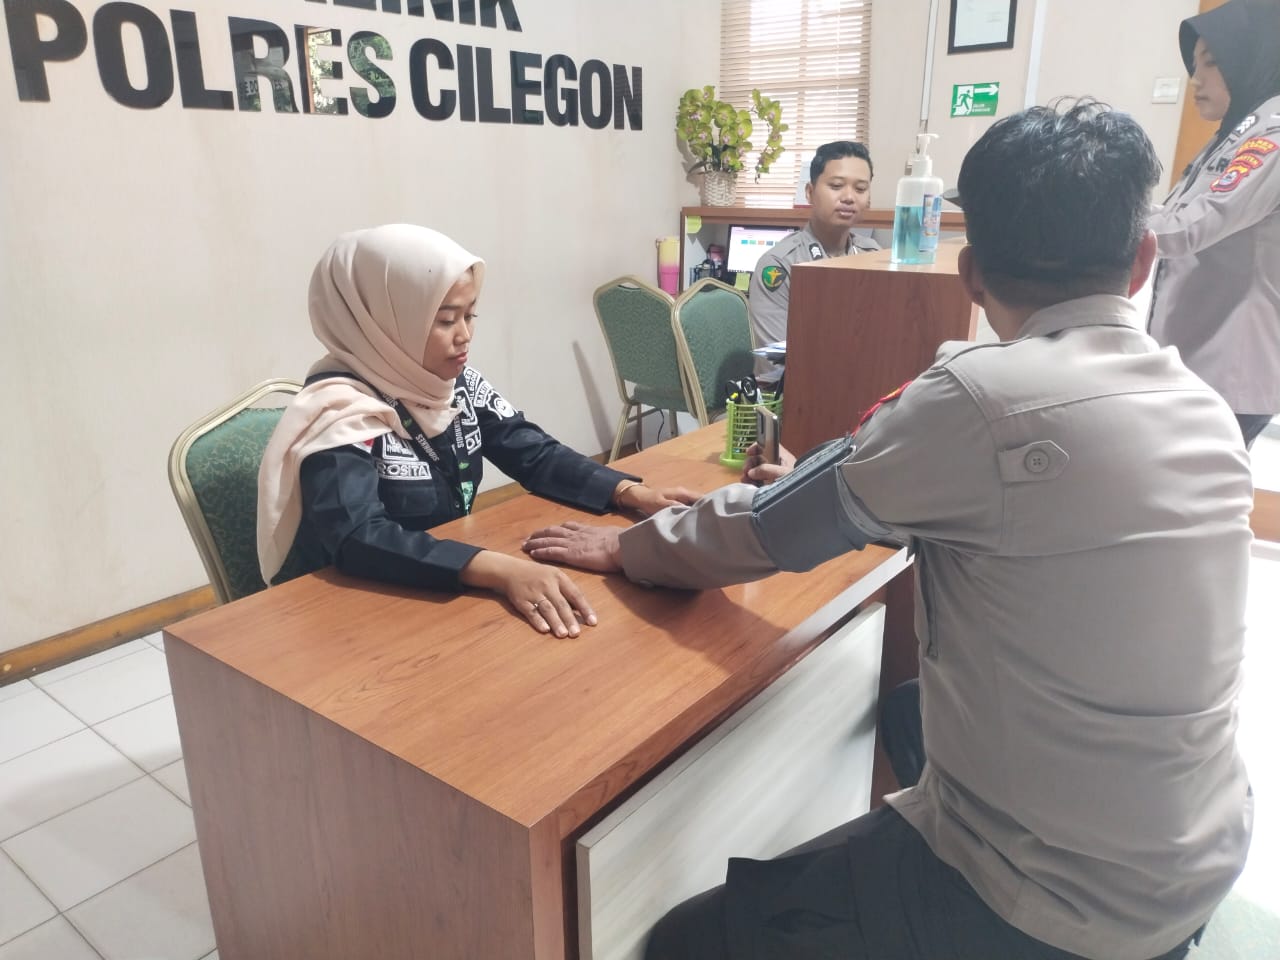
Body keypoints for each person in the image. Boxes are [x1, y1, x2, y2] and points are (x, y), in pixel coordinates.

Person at [522, 101, 1254, 960]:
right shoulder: (1205, 409)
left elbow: (768, 534)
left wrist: (627, 547)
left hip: (1050, 906)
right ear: (1142, 259)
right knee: (905, 716)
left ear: (971, 273)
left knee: (683, 941)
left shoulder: (979, 397)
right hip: (1199, 850)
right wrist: (839, 483)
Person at [256, 224, 696, 638]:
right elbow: (359, 538)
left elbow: (534, 453)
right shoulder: (339, 414)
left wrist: (629, 493)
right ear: (384, 323)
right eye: (446, 320)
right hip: (362, 615)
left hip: (443, 592)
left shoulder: (451, 385)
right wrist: (499, 570)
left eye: (470, 315)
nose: (465, 335)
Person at [1147, 0, 1280, 448]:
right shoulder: (1237, 131)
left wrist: (1103, 212)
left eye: (1212, 62)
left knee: (1196, 483)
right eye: (1195, 63)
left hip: (1231, 366)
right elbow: (1174, 215)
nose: (1195, 78)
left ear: (1250, 57)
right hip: (1202, 355)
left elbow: (1187, 228)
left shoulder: (1271, 136)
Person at [748, 141, 880, 386]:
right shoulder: (780, 265)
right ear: (810, 192)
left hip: (862, 383)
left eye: (860, 188)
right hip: (794, 391)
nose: (849, 197)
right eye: (836, 186)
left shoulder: (872, 255)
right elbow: (777, 361)